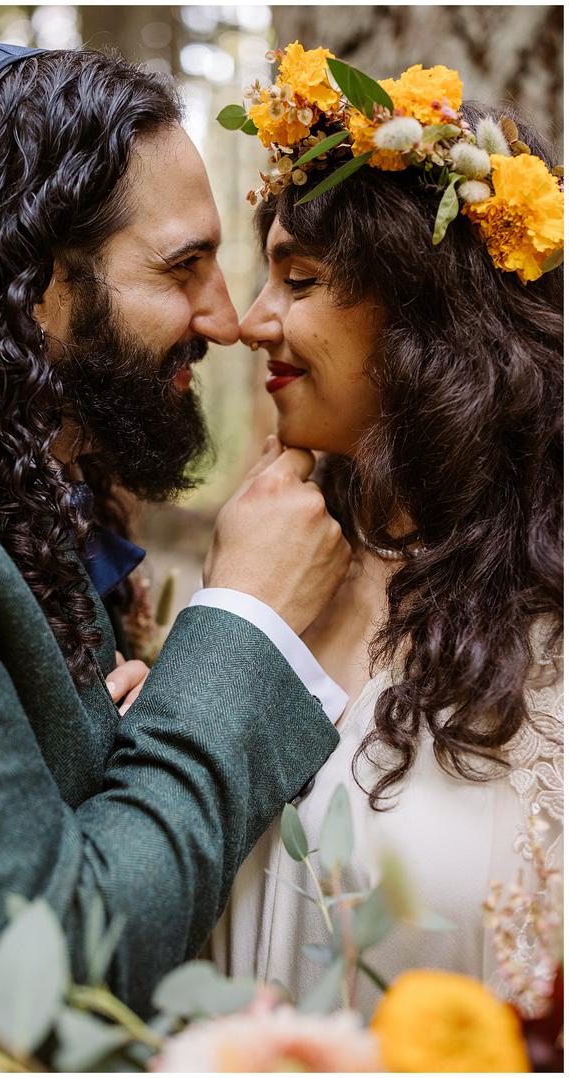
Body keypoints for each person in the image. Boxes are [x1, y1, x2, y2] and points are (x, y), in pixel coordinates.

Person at [0, 43, 353, 1018]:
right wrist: (243, 626)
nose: (224, 319)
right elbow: (43, 972)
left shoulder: (18, 481)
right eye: (184, 267)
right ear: (35, 283)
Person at [212, 46, 563, 1017]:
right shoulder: (269, 561)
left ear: (421, 304)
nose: (252, 321)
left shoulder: (550, 609)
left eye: (301, 277)